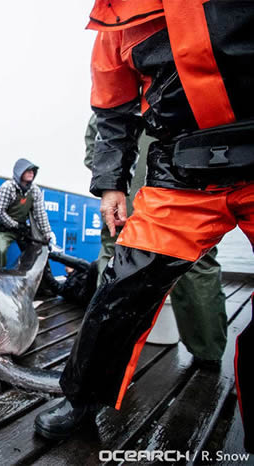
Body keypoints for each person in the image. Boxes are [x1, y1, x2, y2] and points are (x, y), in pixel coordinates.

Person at [34, 0, 254, 451]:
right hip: (182, 172)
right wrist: (110, 185)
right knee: (120, 285)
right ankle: (83, 397)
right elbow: (111, 110)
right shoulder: (114, 17)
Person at [85, 114, 228, 366]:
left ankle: (100, 351)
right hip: (187, 190)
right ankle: (208, 351)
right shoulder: (188, 84)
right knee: (196, 265)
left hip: (125, 194)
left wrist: (112, 180)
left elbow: (95, 146)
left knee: (114, 262)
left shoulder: (116, 99)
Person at [0, 158, 60, 297]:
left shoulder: (35, 191)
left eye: (32, 171)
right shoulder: (7, 187)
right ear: (19, 172)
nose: (31, 173)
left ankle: (39, 286)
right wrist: (14, 225)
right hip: (5, 228)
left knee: (34, 253)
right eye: (27, 170)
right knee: (1, 251)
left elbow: (40, 213)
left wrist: (47, 232)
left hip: (23, 228)